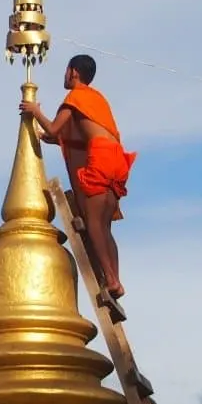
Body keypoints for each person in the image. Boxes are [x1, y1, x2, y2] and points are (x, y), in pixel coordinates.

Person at [19, 54, 136, 299]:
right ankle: (117, 280)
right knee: (104, 227)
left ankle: (111, 281)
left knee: (93, 223)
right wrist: (53, 137)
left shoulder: (75, 97)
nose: (65, 75)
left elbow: (53, 128)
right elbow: (74, 134)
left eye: (66, 70)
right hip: (117, 160)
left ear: (73, 72)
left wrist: (34, 111)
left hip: (101, 159)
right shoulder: (97, 98)